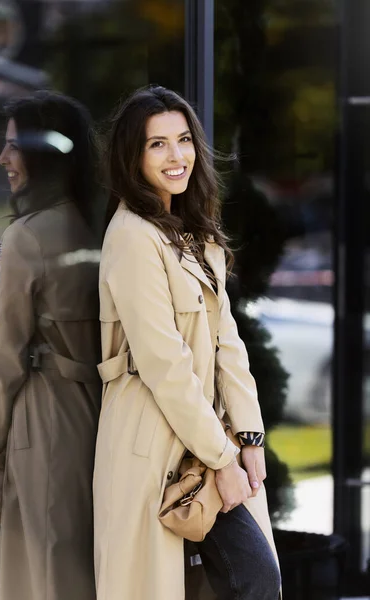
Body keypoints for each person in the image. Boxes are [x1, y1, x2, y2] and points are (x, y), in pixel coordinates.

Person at [93, 85, 281, 600]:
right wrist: (223, 459)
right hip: (152, 444)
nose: (176, 156)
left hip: (208, 438)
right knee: (233, 581)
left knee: (251, 578)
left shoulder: (196, 232)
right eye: (157, 144)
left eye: (182, 140)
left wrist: (250, 436)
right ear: (132, 156)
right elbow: (163, 364)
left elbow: (227, 341)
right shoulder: (132, 235)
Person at [0, 90, 102, 600]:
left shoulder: (29, 236)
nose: (3, 159)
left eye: (13, 147)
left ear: (42, 152)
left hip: (44, 422)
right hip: (101, 418)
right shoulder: (105, 222)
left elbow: (5, 357)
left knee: (40, 568)